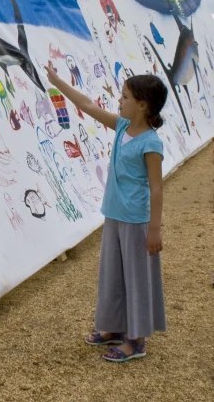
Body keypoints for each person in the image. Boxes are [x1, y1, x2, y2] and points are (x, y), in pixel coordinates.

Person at [44, 62, 168, 363]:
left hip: (136, 220)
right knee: (112, 273)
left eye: (125, 97)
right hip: (113, 213)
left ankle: (136, 340)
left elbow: (156, 188)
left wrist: (154, 228)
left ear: (142, 105)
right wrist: (57, 81)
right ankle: (113, 327)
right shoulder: (123, 125)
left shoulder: (151, 143)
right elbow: (86, 104)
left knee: (136, 278)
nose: (119, 100)